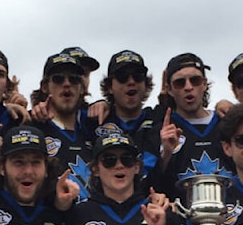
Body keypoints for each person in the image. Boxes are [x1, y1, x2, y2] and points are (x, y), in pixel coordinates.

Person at [156, 53, 231, 195]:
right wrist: (165, 154)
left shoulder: (227, 122)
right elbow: (148, 185)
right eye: (180, 83)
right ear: (169, 89)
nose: (188, 87)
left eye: (195, 80)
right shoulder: (160, 130)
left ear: (204, 83)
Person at [30, 53, 95, 199]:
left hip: (92, 218)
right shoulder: (31, 126)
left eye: (74, 79)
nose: (67, 84)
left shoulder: (95, 127)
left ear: (82, 88)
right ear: (44, 86)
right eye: (58, 79)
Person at [90, 50, 160, 179]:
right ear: (110, 86)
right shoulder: (94, 120)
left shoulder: (158, 119)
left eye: (137, 76)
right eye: (123, 76)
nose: (131, 81)